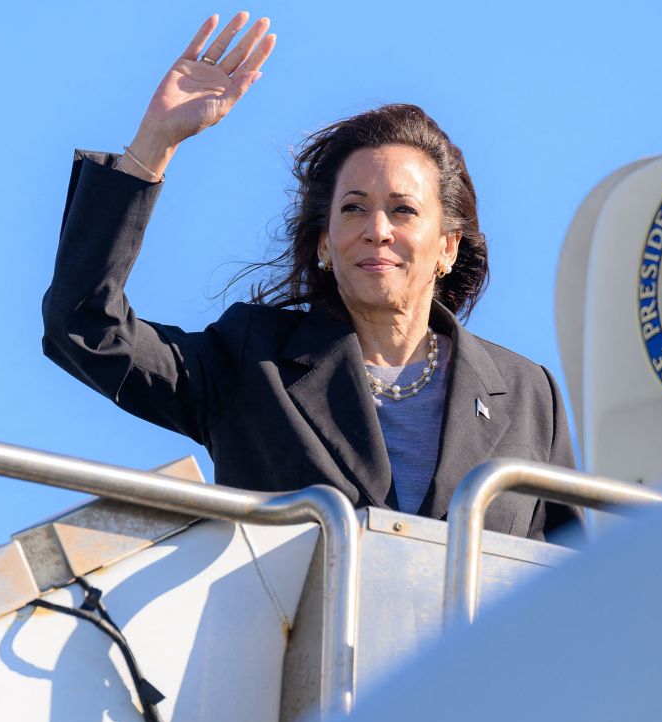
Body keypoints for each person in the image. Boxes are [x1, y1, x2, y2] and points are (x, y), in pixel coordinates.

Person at [43, 11, 580, 540]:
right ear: (324, 243)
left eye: (403, 210)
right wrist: (154, 141)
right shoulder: (251, 362)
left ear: (447, 247)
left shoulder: (529, 395)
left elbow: (572, 580)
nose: (377, 230)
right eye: (352, 208)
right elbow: (85, 328)